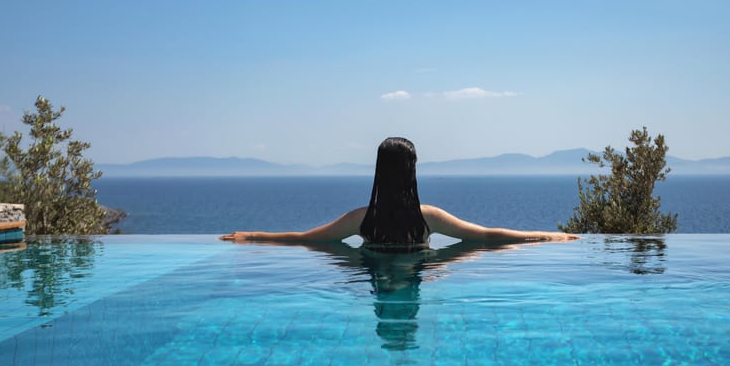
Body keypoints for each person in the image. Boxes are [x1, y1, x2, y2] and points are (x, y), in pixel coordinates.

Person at [220, 137, 580, 246]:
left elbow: (305, 239)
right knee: (463, 256)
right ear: (412, 171)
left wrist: (251, 236)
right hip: (418, 271)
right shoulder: (427, 218)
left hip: (371, 273)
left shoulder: (363, 219)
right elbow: (486, 236)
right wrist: (549, 236)